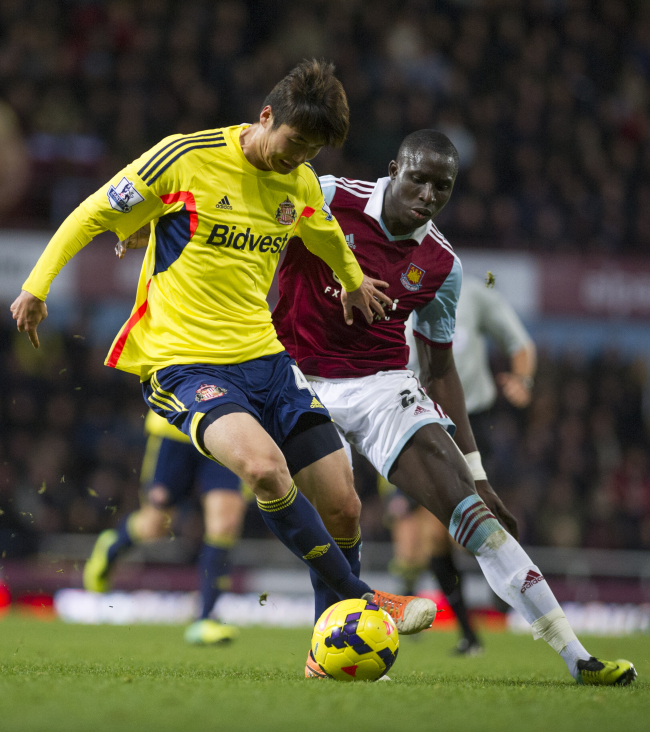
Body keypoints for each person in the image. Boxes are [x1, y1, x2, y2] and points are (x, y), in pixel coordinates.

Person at [10, 60, 437, 648]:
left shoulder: (301, 181)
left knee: (344, 505)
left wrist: (355, 279)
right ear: (266, 116)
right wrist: (37, 285)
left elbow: (323, 232)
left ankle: (327, 645)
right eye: (293, 143)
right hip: (184, 363)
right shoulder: (184, 157)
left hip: (266, 360)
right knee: (264, 470)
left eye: (311, 152)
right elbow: (92, 213)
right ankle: (365, 599)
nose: (297, 159)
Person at [272, 129, 636, 685]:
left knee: (476, 517)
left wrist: (478, 471)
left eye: (442, 186)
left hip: (380, 384)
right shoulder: (327, 196)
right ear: (394, 168)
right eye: (417, 178)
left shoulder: (442, 264)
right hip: (294, 373)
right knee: (341, 510)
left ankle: (577, 657)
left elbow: (440, 370)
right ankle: (331, 643)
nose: (428, 194)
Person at [381, 275, 537, 656]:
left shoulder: (473, 294)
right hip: (414, 422)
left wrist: (522, 378)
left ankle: (506, 595)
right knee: (420, 538)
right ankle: (464, 632)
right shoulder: (385, 293)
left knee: (460, 533)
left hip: (471, 425)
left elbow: (520, 344)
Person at [84, 409, 248, 645]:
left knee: (226, 524)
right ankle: (111, 547)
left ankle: (206, 618)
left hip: (226, 430)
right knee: (155, 526)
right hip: (176, 426)